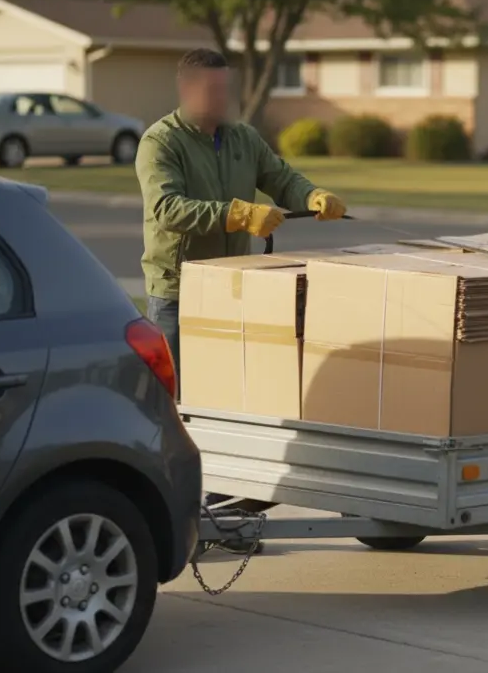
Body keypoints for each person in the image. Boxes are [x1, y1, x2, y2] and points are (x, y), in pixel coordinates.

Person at [135, 48, 346, 518]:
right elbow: (167, 210)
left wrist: (311, 195)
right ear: (186, 89)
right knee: (176, 410)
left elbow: (280, 178)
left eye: (225, 88)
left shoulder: (242, 138)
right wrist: (237, 213)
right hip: (178, 292)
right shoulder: (159, 142)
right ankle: (171, 510)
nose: (220, 97)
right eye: (210, 89)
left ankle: (221, 508)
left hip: (232, 290)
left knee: (227, 403)